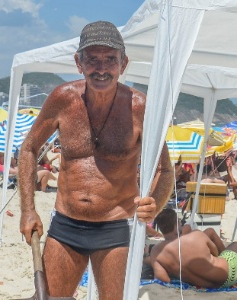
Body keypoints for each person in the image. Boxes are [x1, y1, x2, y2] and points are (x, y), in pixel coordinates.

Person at [18, 21, 175, 299]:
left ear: (123, 64)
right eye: (92, 60)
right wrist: (28, 210)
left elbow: (165, 169)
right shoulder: (62, 99)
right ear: (79, 63)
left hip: (116, 228)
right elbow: (28, 148)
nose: (101, 69)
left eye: (110, 60)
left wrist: (154, 203)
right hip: (66, 224)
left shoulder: (140, 107)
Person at [149, 209, 237, 288]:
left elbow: (163, 279)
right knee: (235, 247)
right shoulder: (196, 236)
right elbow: (216, 253)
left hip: (208, 285)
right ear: (177, 222)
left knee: (228, 259)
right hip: (226, 276)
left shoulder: (156, 252)